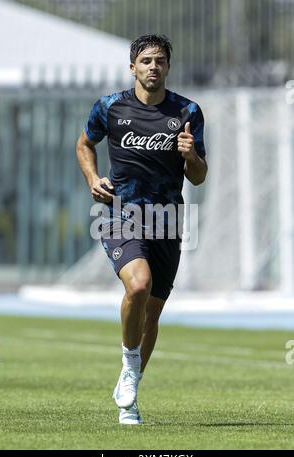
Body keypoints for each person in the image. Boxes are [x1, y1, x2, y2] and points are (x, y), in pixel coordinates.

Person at [76, 34, 207, 425]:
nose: (154, 66)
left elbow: (198, 178)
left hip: (167, 219)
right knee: (138, 285)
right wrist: (92, 177)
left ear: (168, 67)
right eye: (147, 60)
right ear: (133, 67)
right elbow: (85, 144)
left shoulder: (187, 111)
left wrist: (191, 155)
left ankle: (130, 395)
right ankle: (129, 368)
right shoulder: (110, 107)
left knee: (152, 314)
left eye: (161, 61)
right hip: (120, 213)